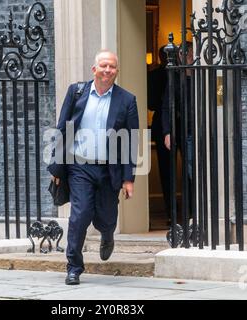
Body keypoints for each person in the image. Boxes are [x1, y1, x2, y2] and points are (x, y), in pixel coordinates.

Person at [48, 50, 139, 285]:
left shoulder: (127, 100)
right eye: (104, 66)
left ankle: (107, 235)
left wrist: (129, 179)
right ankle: (74, 267)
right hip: (80, 166)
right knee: (80, 215)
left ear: (117, 71)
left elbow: (131, 141)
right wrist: (57, 169)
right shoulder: (76, 92)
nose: (108, 70)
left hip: (110, 169)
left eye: (112, 67)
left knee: (107, 217)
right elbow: (62, 130)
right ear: (94, 69)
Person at [161, 42, 194, 223]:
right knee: (189, 173)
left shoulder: (202, 76)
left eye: (188, 52)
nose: (185, 56)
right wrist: (167, 131)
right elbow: (167, 107)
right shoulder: (176, 79)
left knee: (198, 173)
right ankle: (190, 214)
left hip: (204, 132)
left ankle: (198, 214)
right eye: (182, 53)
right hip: (186, 132)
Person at [147, 46, 171, 222]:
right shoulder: (177, 74)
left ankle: (171, 212)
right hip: (168, 124)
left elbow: (151, 103)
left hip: (160, 123)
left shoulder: (155, 75)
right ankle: (188, 211)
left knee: (166, 172)